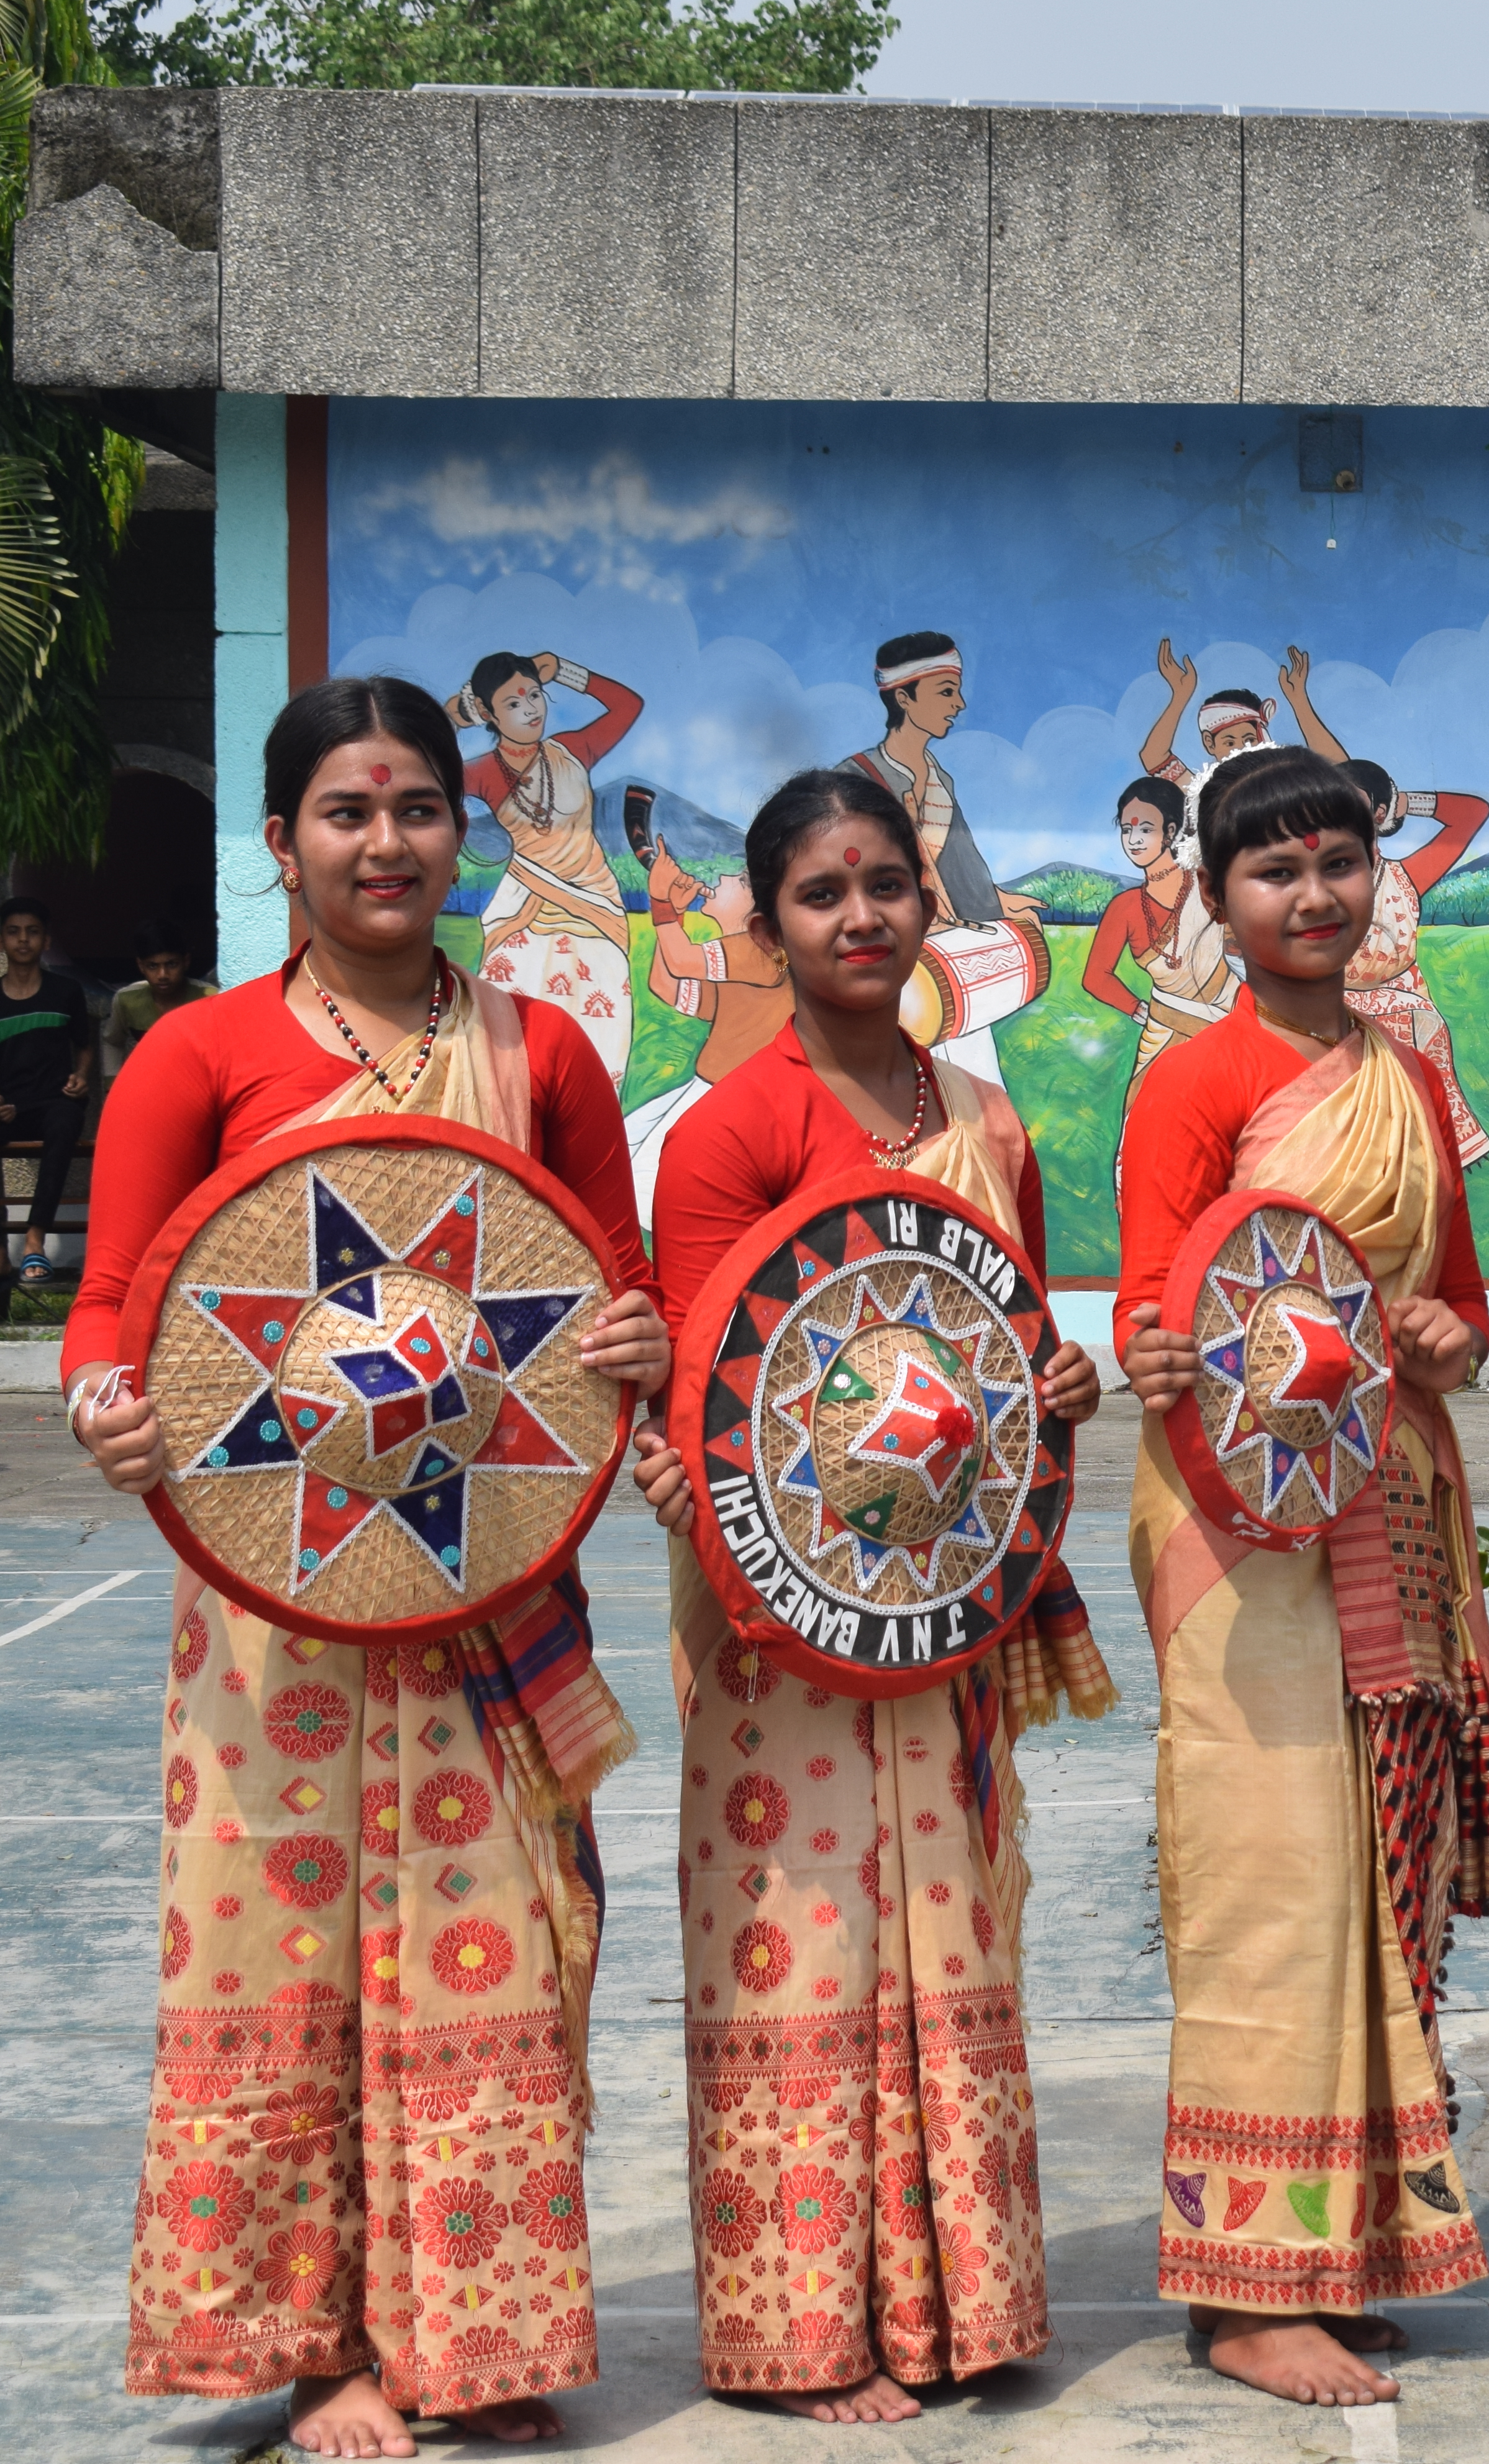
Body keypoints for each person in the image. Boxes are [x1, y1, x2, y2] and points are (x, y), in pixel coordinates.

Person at [64, 677, 668, 2458]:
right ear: (281, 845)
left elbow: (613, 1286)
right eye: (346, 810)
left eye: (416, 807)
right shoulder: (198, 1055)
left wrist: (634, 1353)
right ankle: (319, 2344)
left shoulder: (544, 1053)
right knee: (283, 1961)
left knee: (510, 1951)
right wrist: (108, 1399)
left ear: (457, 830)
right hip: (278, 1601)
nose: (387, 841)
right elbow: (119, 1304)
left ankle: (477, 2331)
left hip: (493, 1577)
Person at [629, 767, 1109, 2420]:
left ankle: (965, 2306)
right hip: (789, 1620)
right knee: (806, 1949)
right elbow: (704, 1384)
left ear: (929, 906)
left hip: (947, 1605)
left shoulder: (987, 1123)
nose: (860, 918)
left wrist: (1057, 1389)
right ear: (765, 923)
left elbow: (1007, 1338)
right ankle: (797, 2332)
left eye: (887, 886)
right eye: (822, 893)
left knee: (960, 1933)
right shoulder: (732, 1129)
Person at [1113, 746, 1489, 2409]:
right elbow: (1162, 1309)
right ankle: (1244, 2290)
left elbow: (1469, 1314)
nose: (1312, 897)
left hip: (1400, 1504)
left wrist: (1441, 1337)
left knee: (1385, 1868)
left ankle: (1349, 2250)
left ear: (1377, 882)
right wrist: (1188, 1352)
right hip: (1239, 1521)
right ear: (1216, 901)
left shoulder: (1414, 1083)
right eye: (1273, 871)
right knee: (1276, 1875)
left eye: (1340, 864)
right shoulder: (1192, 1081)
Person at [1277, 645, 1489, 1166]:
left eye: (1354, 806)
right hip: (1329, 1016)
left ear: (1377, 813)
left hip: (1406, 1019)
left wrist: (1405, 803)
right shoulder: (1307, 876)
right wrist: (1300, 703)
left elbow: (1473, 813)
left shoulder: (1405, 876)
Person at [843, 632, 1047, 1088]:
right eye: (946, 692)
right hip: (886, 963)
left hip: (941, 963)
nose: (960, 704)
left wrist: (998, 902)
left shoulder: (941, 780)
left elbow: (959, 865)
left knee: (980, 1089)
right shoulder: (852, 782)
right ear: (904, 697)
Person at [450, 651, 644, 1084]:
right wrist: (459, 710)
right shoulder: (481, 772)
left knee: (598, 1048)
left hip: (595, 910)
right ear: (488, 713)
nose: (531, 710)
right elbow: (426, 759)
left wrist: (568, 671)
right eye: (513, 704)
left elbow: (628, 706)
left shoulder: (574, 751)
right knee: (510, 1053)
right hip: (525, 915)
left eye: (535, 695)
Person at [620, 851, 795, 1222]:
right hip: (708, 1090)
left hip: (732, 1103)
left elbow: (682, 961)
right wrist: (675, 913)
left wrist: (661, 901)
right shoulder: (745, 975)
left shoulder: (764, 951)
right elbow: (666, 985)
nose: (724, 879)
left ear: (756, 909)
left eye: (741, 880)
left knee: (648, 1182)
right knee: (628, 1145)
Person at [1079, 773, 1237, 1078]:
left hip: (1229, 1017)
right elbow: (1095, 977)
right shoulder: (1124, 908)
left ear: (1171, 831)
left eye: (1146, 829)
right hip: (1163, 1032)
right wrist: (1140, 1010)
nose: (1134, 839)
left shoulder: (1205, 884)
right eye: (1127, 829)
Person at [0, 894, 94, 1281]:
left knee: (64, 1123)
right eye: (14, 932)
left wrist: (82, 1076)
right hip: (8, 1106)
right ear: (2, 940)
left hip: (53, 1100)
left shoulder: (66, 992)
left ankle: (35, 1241)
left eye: (33, 932)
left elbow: (85, 1047)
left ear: (47, 941)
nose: (23, 940)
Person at [1135, 635, 1271, 794]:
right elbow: (1153, 757)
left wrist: (1299, 700)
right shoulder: (1206, 794)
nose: (1240, 750)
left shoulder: (1277, 789)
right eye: (1230, 743)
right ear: (1209, 743)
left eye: (1249, 740)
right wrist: (1181, 695)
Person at [102, 917, 216, 1077]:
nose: (162, 975)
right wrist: (112, 1084)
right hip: (150, 1084)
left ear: (186, 961)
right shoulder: (127, 1000)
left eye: (171, 964)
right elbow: (112, 1041)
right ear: (141, 966)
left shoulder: (209, 998)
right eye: (153, 966)